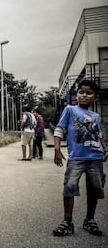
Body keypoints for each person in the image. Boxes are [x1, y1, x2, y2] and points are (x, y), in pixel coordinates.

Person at [52, 79, 108, 237]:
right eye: (81, 92)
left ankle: (90, 220)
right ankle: (67, 222)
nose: (84, 95)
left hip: (95, 157)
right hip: (77, 158)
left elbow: (98, 134)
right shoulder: (70, 110)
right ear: (76, 95)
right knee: (69, 187)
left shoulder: (96, 116)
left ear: (95, 97)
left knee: (95, 188)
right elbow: (59, 129)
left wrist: (105, 147)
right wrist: (57, 149)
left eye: (89, 93)